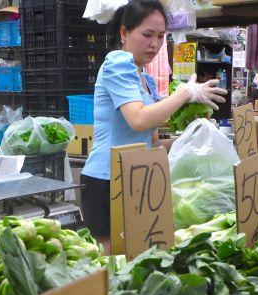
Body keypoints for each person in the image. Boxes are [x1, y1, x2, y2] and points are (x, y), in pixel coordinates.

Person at [80, 0, 226, 242]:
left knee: (136, 261)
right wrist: (185, 94)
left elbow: (153, 143)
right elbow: (138, 120)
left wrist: (191, 136)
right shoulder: (117, 63)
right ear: (124, 33)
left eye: (161, 36)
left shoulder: (146, 80)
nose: (155, 44)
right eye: (147, 35)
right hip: (106, 180)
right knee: (111, 264)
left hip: (138, 178)